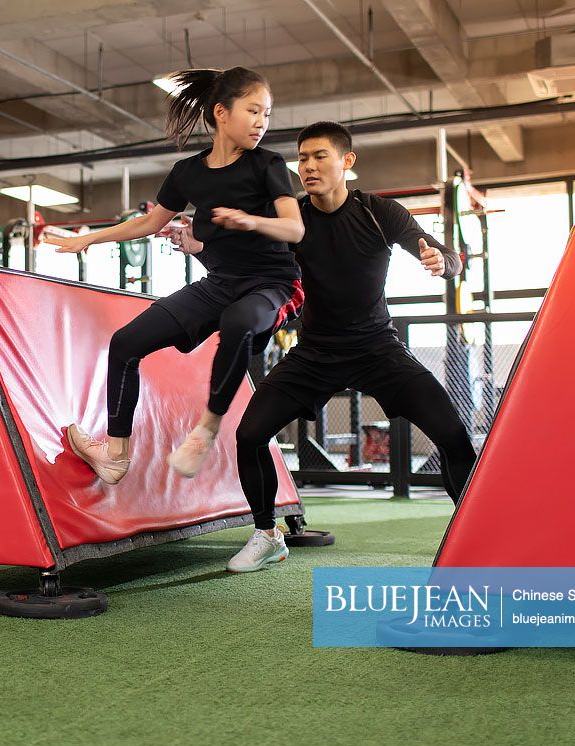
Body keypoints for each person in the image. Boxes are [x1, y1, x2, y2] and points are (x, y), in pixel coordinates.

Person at [170, 121, 477, 572]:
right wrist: (198, 249)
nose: (308, 166)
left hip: (378, 348)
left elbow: (448, 257)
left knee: (453, 435)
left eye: (319, 156)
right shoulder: (291, 219)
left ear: (347, 162)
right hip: (315, 353)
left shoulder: (379, 212)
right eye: (302, 158)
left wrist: (441, 261)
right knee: (249, 434)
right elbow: (242, 268)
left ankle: (472, 535)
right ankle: (266, 534)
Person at [47, 67, 304, 484]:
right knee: (126, 343)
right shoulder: (188, 173)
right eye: (254, 111)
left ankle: (207, 426)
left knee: (238, 323)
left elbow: (295, 229)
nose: (262, 122)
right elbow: (149, 224)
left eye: (267, 114)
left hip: (272, 284)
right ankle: (115, 453)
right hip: (221, 283)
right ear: (221, 113)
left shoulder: (268, 165)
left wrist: (250, 221)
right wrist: (89, 240)